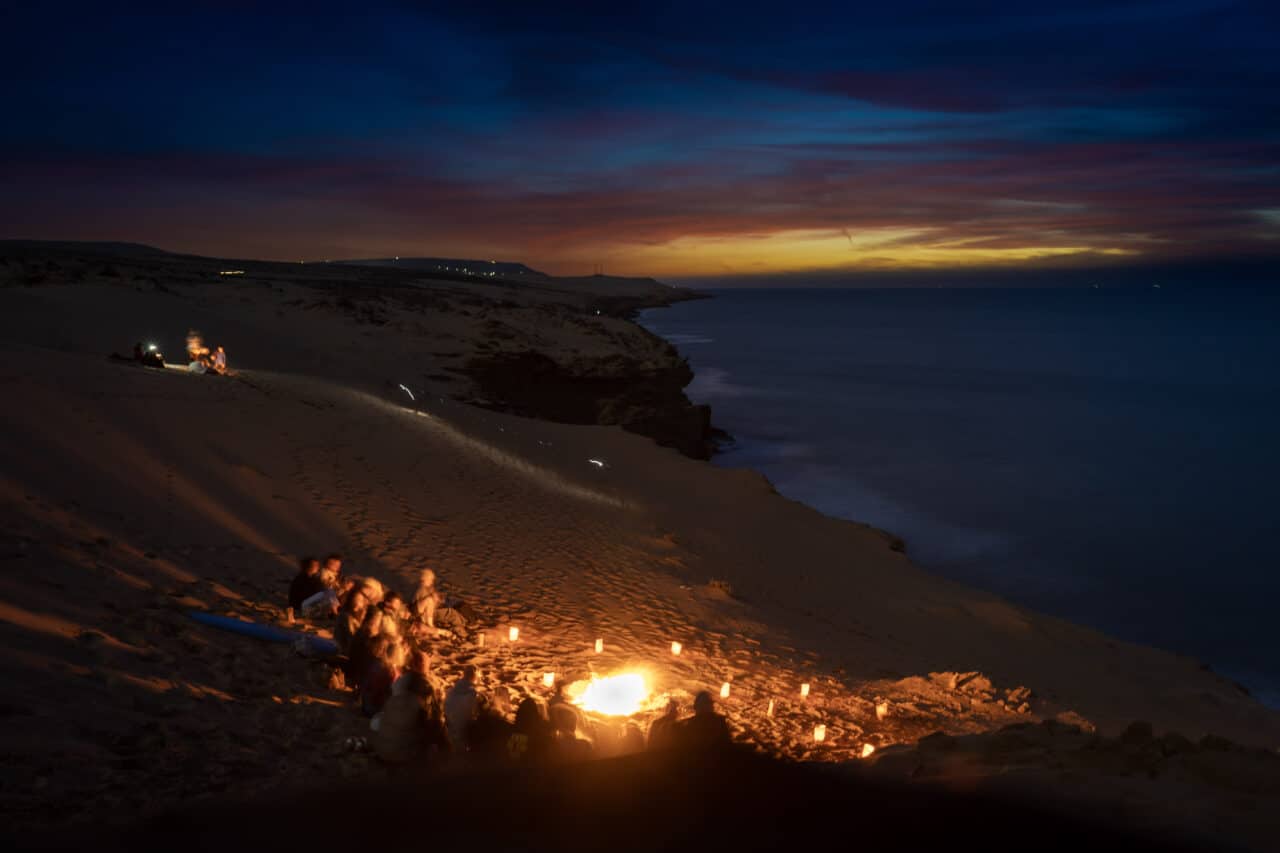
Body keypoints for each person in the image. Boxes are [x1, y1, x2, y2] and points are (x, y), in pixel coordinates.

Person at [444, 666, 480, 752]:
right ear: (475, 677)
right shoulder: (473, 694)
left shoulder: (451, 692)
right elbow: (474, 714)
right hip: (463, 736)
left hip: (449, 733)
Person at [507, 698, 553, 764]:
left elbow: (513, 755)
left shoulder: (520, 731)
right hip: (535, 765)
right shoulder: (541, 730)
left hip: (522, 766)